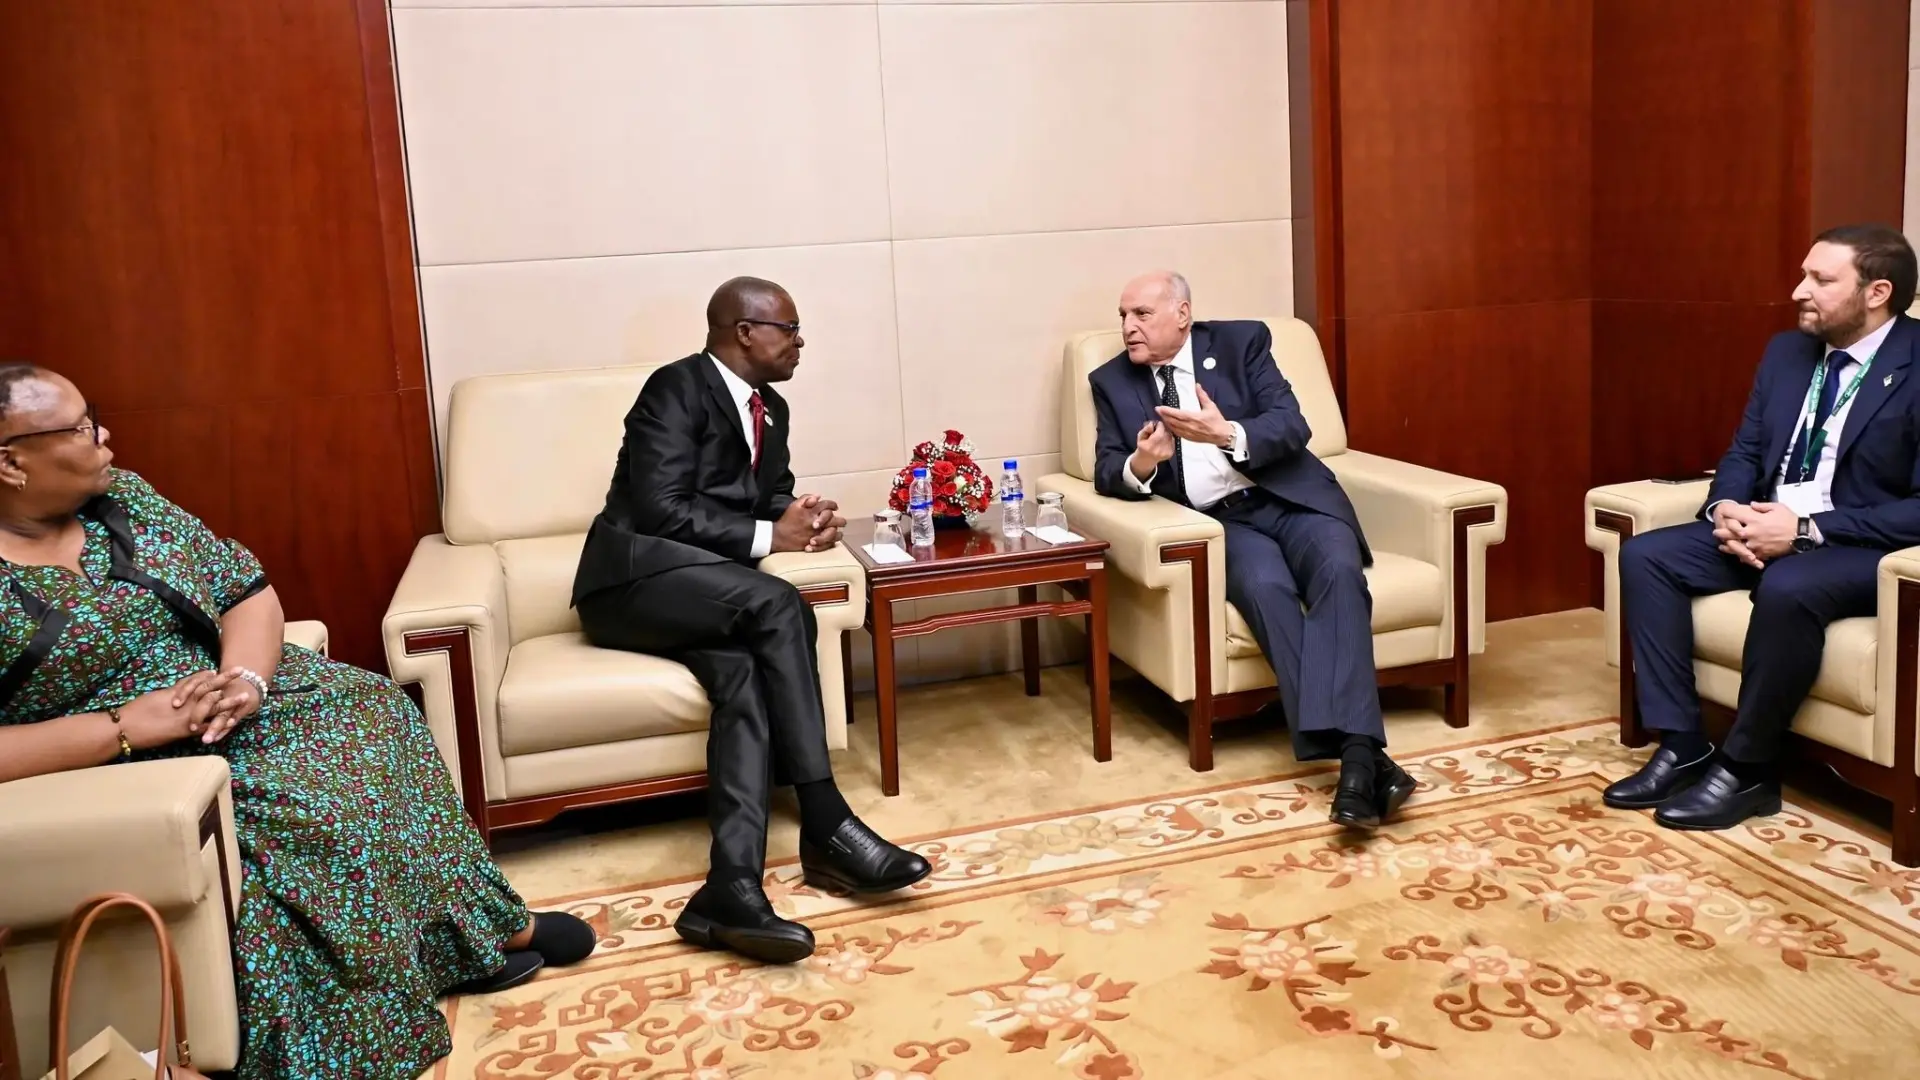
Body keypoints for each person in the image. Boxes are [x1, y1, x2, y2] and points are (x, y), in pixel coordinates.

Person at [0, 365, 596, 1079]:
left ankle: (469, 936)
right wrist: (124, 725)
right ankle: (345, 1038)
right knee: (311, 808)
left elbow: (245, 592)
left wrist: (247, 680)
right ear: (11, 461)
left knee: (377, 714)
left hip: (235, 699)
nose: (104, 436)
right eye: (79, 427)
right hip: (122, 756)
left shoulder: (123, 499)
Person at [572, 276, 929, 965]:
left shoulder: (773, 411)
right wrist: (771, 536)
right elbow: (659, 508)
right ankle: (826, 822)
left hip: (706, 590)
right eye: (788, 329)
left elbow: (770, 499)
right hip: (630, 585)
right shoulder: (675, 389)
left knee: (740, 677)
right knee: (778, 603)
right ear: (744, 331)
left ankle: (728, 890)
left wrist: (804, 519)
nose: (799, 342)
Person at [1607, 224, 1920, 830]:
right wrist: (1725, 508)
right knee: (1647, 557)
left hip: (1865, 545)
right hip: (1769, 524)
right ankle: (1682, 742)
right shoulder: (1788, 353)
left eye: (1820, 279)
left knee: (1788, 586)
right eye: (1804, 274)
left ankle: (1747, 769)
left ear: (1877, 292)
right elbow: (1747, 450)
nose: (1799, 290)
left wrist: (1807, 530)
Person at [1087, 270, 1415, 829]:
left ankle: (1359, 762)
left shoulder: (1242, 342)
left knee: (1339, 571)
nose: (1128, 327)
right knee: (1267, 590)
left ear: (1182, 314)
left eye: (1141, 314)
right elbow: (1105, 469)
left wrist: (1226, 434)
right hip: (1222, 523)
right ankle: (1366, 762)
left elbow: (1292, 425)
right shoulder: (1113, 380)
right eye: (1123, 316)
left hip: (1290, 499)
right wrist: (1143, 462)